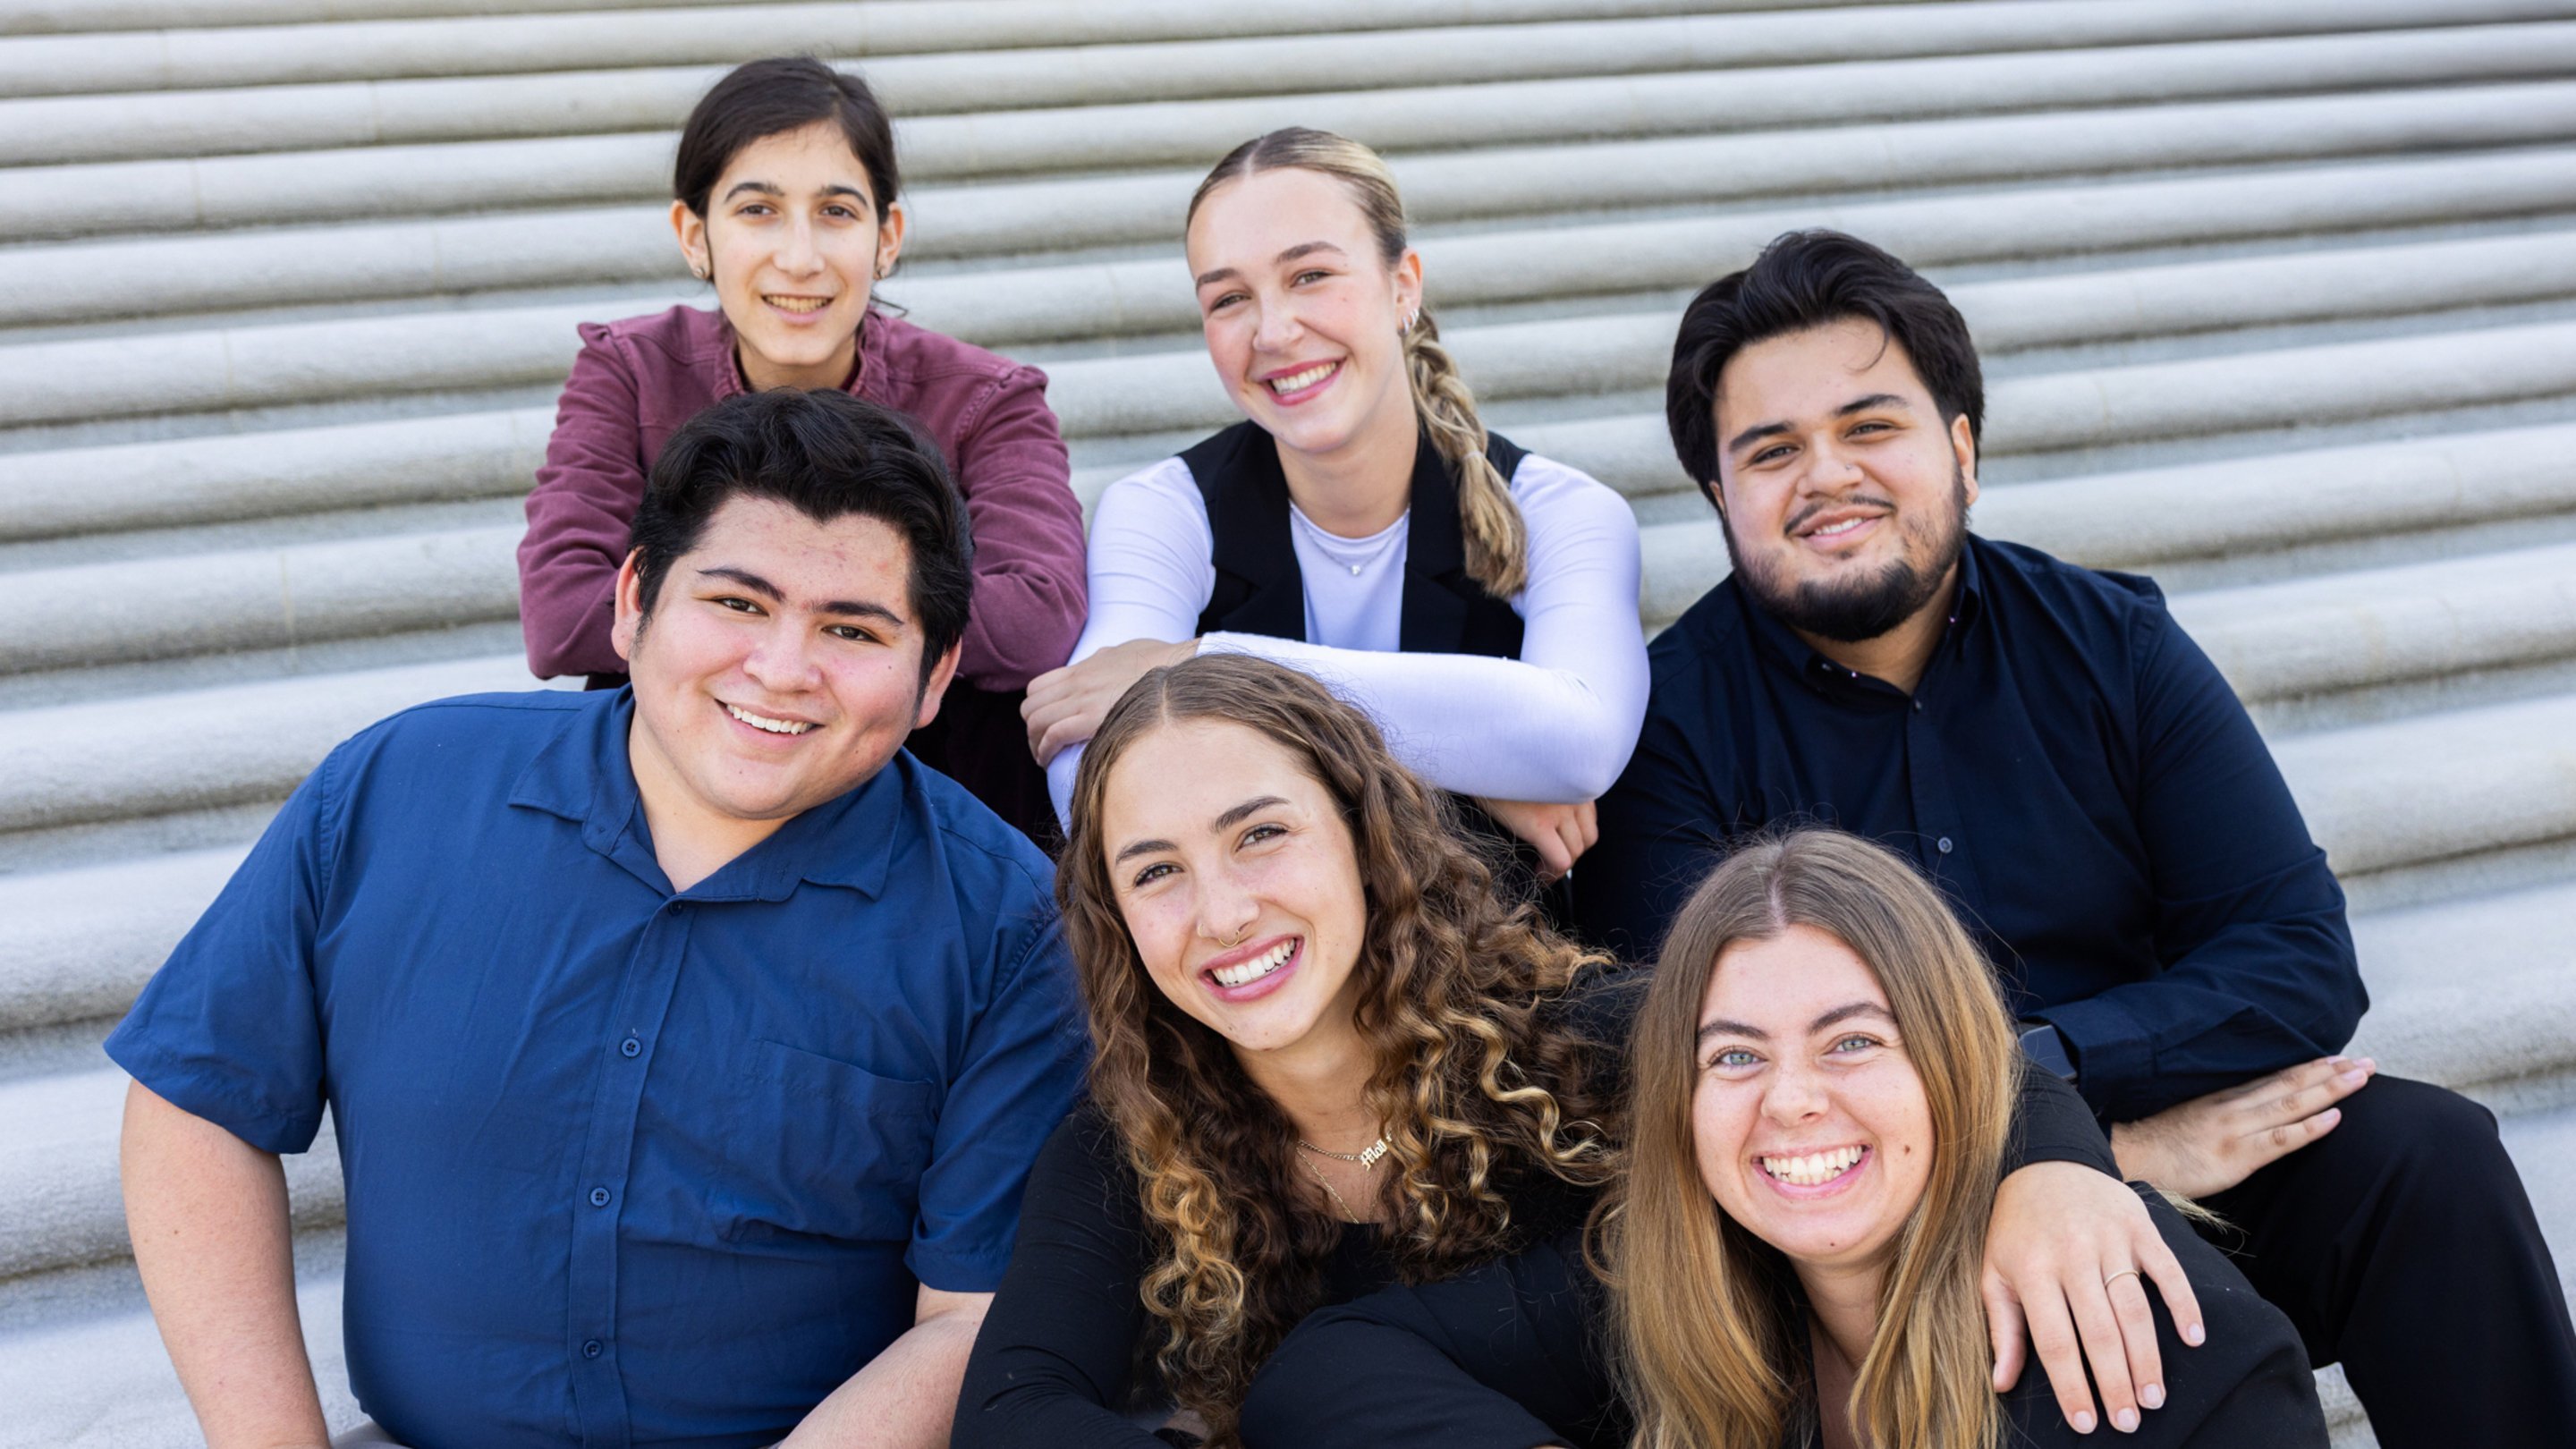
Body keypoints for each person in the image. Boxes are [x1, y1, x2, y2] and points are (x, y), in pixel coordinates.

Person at [1573, 229, 2576, 1445]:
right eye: (1772, 451)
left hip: (2153, 1140)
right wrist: (2088, 1148)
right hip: (1851, 1204)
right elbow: (1675, 1043)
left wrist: (2068, 1104)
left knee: (2425, 1158)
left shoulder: (2114, 645)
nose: (1826, 475)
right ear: (1720, 498)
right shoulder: (1664, 723)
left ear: (1963, 451)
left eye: (1870, 427)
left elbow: (2298, 956)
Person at [112, 389, 1086, 1449]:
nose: (781, 670)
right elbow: (197, 1103)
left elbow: (972, 1317)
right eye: (738, 603)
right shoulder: (398, 787)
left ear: (936, 675)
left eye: (850, 629)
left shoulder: (1008, 926)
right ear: (633, 602)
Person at [959, 655, 2208, 1449]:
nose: (1223, 913)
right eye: (1157, 872)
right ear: (1114, 918)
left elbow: (1927, 1055)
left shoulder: (1570, 1035)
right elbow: (1016, 1410)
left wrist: (2054, 1170)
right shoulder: (1137, 1137)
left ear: (1362, 837)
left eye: (1260, 836)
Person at [1241, 830, 2329, 1449]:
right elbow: (1321, 1372)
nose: (1793, 1101)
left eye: (1852, 1042)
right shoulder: (1671, 1284)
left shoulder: (2161, 1346)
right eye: (1734, 1057)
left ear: (1953, 1062)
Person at [1022, 127, 1647, 888]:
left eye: (1311, 275)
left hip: (1491, 950)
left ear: (1403, 286)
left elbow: (1580, 739)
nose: (1274, 331)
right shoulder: (1163, 509)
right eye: (1228, 298)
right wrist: (1470, 769)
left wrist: (1201, 664)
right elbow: (1086, 777)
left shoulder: (1561, 510)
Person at [519, 55, 1087, 843]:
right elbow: (559, 612)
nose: (799, 257)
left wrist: (732, 611)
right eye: (758, 210)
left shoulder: (985, 398)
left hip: (920, 783)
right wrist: (862, 630)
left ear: (887, 236)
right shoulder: (632, 371)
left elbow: (1039, 616)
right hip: (679, 775)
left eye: (836, 212)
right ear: (695, 234)